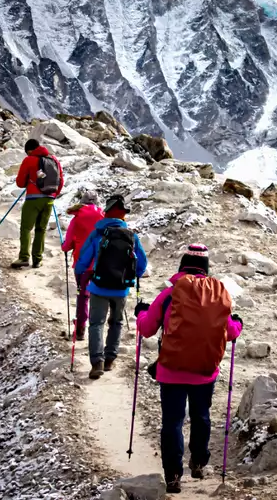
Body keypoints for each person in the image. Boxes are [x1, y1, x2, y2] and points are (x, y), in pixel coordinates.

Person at [136, 244, 243, 494]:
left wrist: (140, 313)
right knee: (201, 416)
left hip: (171, 369)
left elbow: (147, 328)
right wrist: (238, 323)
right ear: (205, 269)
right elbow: (230, 332)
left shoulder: (170, 294)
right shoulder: (218, 296)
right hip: (205, 370)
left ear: (182, 266)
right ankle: (198, 461)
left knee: (172, 421)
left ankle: (173, 476)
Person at [73, 194, 147, 378]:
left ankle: (96, 362)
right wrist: (133, 275)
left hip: (98, 286)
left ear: (106, 214)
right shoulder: (132, 236)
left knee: (96, 323)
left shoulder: (98, 233)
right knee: (116, 322)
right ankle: (110, 359)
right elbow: (142, 264)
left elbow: (84, 258)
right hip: (121, 287)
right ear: (122, 216)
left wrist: (82, 273)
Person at [11, 139, 64, 269]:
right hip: (49, 199)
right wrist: (53, 195)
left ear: (29, 150)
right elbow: (60, 180)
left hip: (33, 199)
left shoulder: (29, 160)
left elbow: (20, 183)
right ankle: (37, 260)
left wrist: (30, 180)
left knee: (26, 228)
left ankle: (24, 257)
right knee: (41, 229)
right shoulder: (54, 160)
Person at [60, 188, 104, 341]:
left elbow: (67, 245)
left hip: (82, 264)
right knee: (99, 295)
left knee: (82, 296)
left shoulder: (77, 217)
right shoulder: (104, 216)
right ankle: (97, 330)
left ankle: (80, 329)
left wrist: (64, 245)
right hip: (102, 263)